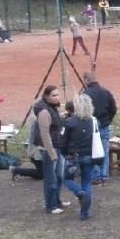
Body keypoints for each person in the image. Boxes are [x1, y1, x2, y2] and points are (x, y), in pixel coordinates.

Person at [60, 93, 95, 220]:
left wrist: (65, 153)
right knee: (87, 182)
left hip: (72, 156)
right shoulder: (92, 121)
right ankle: (84, 213)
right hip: (89, 156)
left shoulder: (69, 122)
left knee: (67, 179)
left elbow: (62, 141)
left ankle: (79, 192)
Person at [33, 85, 65, 214]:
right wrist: (52, 153)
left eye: (58, 95)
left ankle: (57, 201)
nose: (57, 97)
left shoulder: (53, 108)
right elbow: (45, 134)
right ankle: (50, 205)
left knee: (59, 176)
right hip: (49, 150)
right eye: (54, 95)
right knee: (50, 179)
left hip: (57, 146)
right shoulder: (44, 112)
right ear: (46, 96)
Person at [83, 72, 117, 185]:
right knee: (104, 149)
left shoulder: (85, 94)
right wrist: (109, 119)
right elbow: (113, 108)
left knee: (93, 150)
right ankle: (104, 176)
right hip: (105, 124)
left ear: (86, 80)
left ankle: (96, 176)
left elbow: (83, 112)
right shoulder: (106, 92)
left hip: (91, 125)